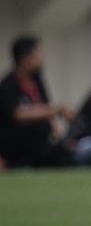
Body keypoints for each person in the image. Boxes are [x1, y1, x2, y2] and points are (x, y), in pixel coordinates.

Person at [0, 36, 74, 169]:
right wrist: (56, 110)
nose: (42, 59)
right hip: (17, 149)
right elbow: (19, 114)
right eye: (38, 54)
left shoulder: (37, 82)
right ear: (25, 58)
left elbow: (46, 108)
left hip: (42, 146)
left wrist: (58, 131)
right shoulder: (8, 85)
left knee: (67, 156)